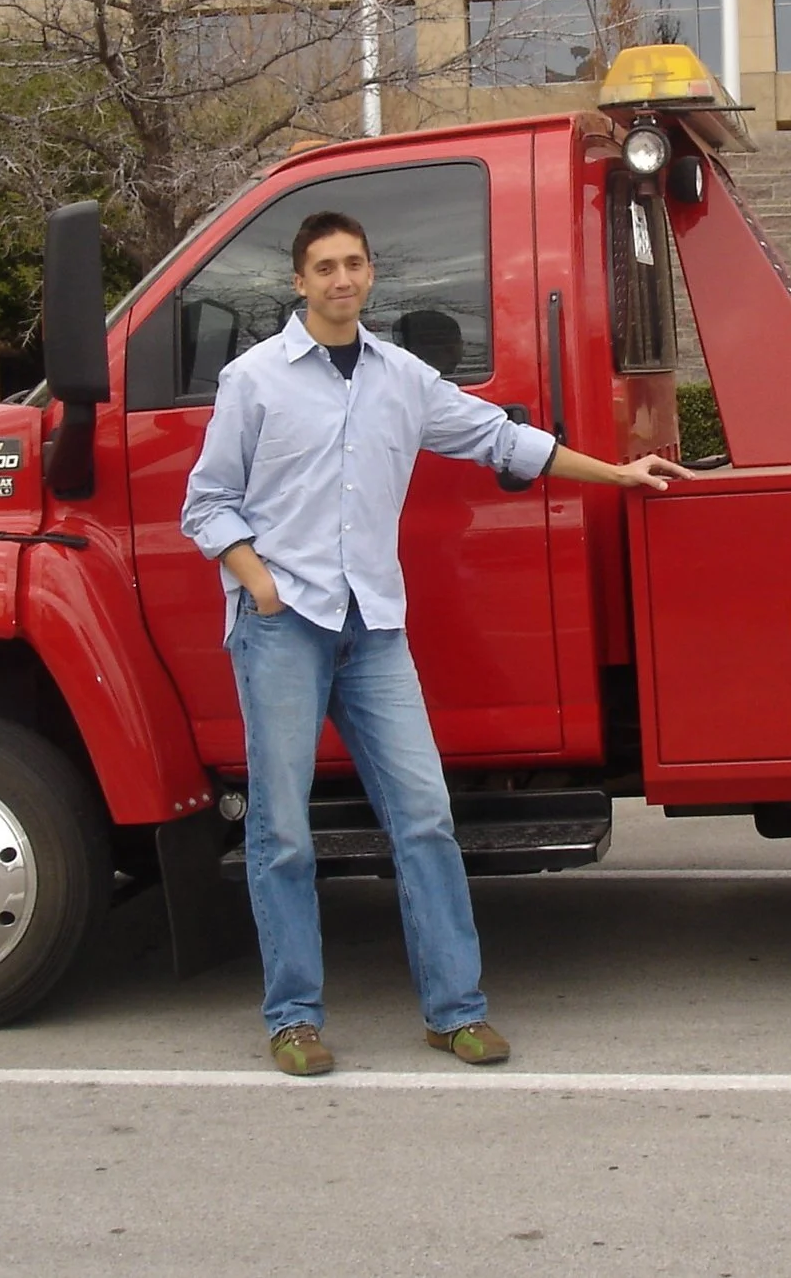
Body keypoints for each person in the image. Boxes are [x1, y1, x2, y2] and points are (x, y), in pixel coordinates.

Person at [181, 209, 689, 1077]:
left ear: (371, 274)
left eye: (355, 263)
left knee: (424, 819)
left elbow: (499, 437)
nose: (342, 279)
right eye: (325, 267)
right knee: (282, 833)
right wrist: (256, 581)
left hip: (373, 629)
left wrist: (616, 473)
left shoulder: (401, 378)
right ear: (300, 282)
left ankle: (456, 1011)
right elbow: (207, 500)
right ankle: (294, 1019)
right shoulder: (252, 380)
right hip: (283, 629)